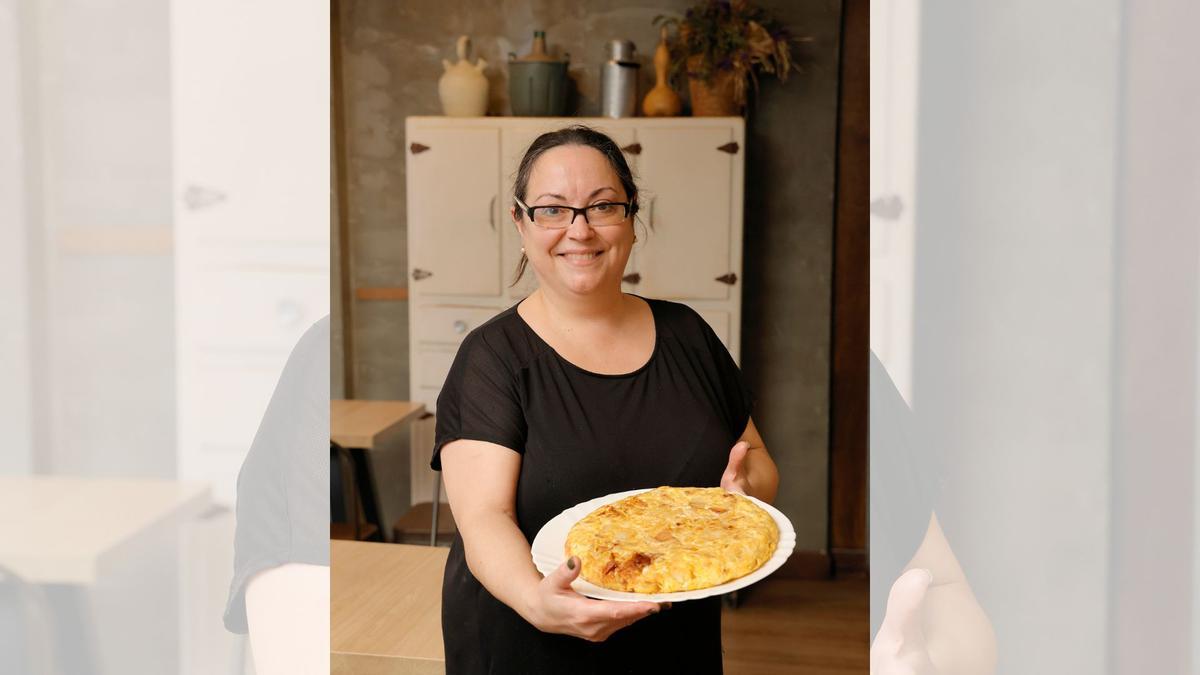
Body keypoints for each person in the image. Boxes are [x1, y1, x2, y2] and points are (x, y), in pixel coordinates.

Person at [432, 125, 779, 674]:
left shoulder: (688, 333)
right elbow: (484, 518)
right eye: (552, 210)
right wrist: (535, 601)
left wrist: (743, 493)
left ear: (632, 220)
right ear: (520, 223)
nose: (580, 230)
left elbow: (753, 459)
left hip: (674, 633)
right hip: (532, 644)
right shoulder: (491, 358)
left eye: (602, 207)